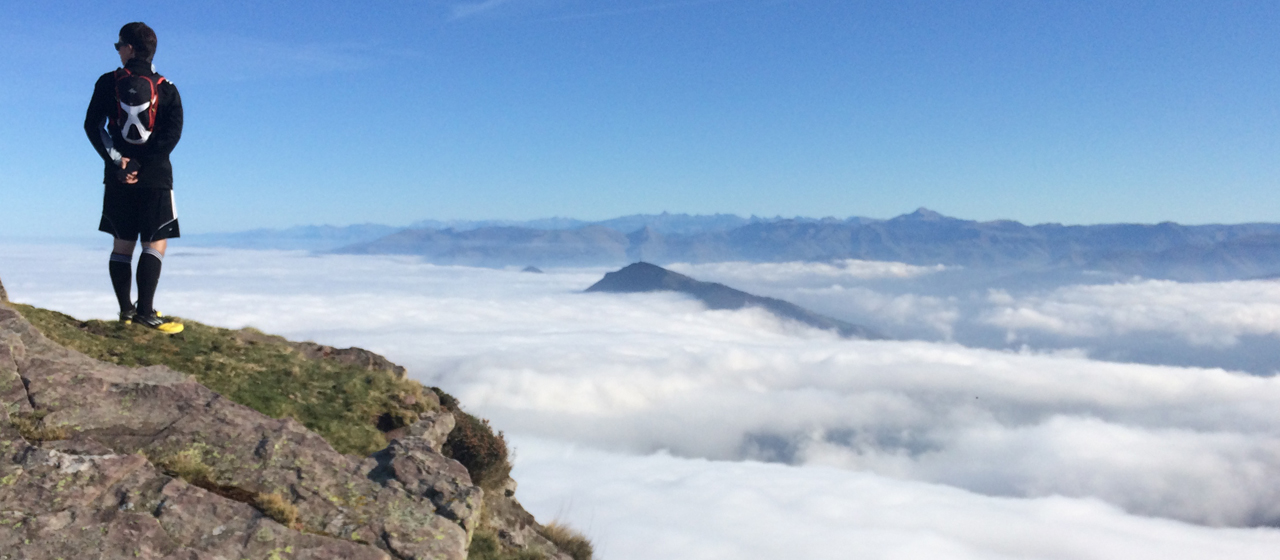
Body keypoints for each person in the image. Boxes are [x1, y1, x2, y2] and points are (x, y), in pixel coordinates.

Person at [84, 22, 184, 334]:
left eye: (119, 45)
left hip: (117, 177)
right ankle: (145, 312)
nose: (118, 50)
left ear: (130, 49)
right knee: (155, 242)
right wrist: (143, 163)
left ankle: (127, 311)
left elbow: (92, 126)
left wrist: (119, 161)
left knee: (122, 243)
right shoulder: (167, 88)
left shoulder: (106, 83)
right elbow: (172, 135)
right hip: (155, 178)